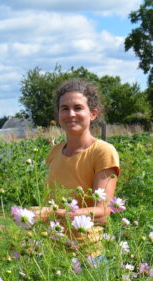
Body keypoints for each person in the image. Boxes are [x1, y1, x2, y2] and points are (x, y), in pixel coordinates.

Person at [30, 78, 120, 258]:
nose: (71, 114)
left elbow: (102, 213)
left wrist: (52, 214)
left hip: (87, 254)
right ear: (58, 115)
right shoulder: (54, 152)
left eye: (78, 108)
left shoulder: (102, 152)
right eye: (64, 108)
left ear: (93, 114)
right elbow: (51, 200)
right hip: (54, 255)